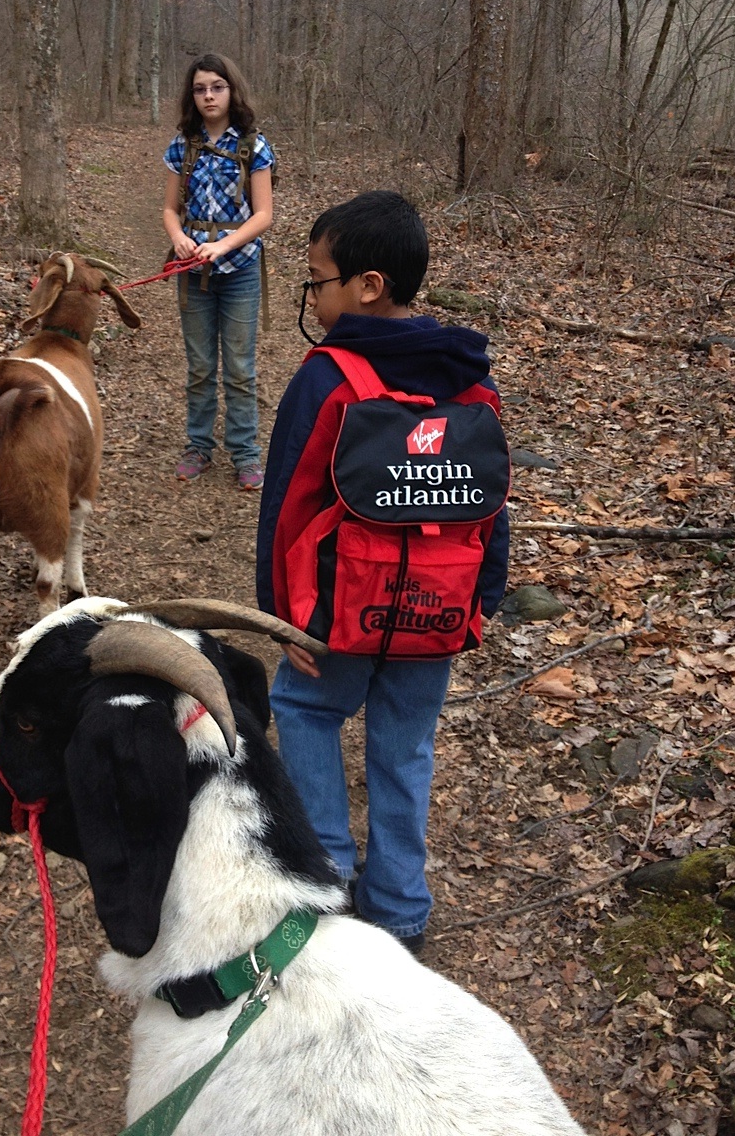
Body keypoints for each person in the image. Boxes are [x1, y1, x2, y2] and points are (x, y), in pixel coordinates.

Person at [256, 190, 509, 953]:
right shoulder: (469, 377)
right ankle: (399, 905)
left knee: (304, 711)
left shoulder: (328, 377)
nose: (312, 295)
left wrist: (279, 612)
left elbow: (289, 502)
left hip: (341, 611)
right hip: (437, 609)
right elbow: (490, 502)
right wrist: (485, 597)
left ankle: (327, 879)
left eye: (317, 279)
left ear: (366, 286)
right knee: (405, 743)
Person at [162, 52, 275, 492]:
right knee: (200, 365)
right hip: (192, 270)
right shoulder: (182, 146)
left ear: (231, 90)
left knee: (241, 368)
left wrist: (223, 245)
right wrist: (179, 238)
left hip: (240, 267)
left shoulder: (253, 145)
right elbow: (170, 210)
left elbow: (263, 214)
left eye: (217, 87)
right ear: (192, 96)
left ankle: (246, 453)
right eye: (200, 88)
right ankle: (198, 446)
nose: (208, 95)